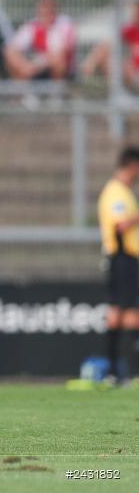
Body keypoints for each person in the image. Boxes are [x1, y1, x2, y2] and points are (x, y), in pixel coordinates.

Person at [96, 147, 139, 383]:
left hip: (122, 259)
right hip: (123, 258)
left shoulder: (122, 192)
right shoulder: (116, 192)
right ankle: (130, 373)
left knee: (117, 313)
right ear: (133, 166)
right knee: (130, 313)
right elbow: (120, 226)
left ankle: (114, 373)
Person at [8, 0, 76, 80]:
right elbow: (12, 49)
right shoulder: (32, 27)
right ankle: (22, 90)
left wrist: (38, 64)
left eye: (50, 10)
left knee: (59, 63)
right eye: (43, 10)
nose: (46, 13)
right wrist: (24, 65)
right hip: (36, 67)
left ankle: (56, 91)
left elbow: (62, 54)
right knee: (11, 56)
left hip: (59, 71)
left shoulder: (64, 25)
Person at [82, 0, 139, 91]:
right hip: (132, 73)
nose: (134, 16)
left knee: (124, 68)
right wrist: (92, 60)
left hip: (134, 73)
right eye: (134, 13)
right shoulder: (132, 30)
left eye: (136, 13)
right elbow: (108, 43)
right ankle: (87, 79)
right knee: (105, 56)